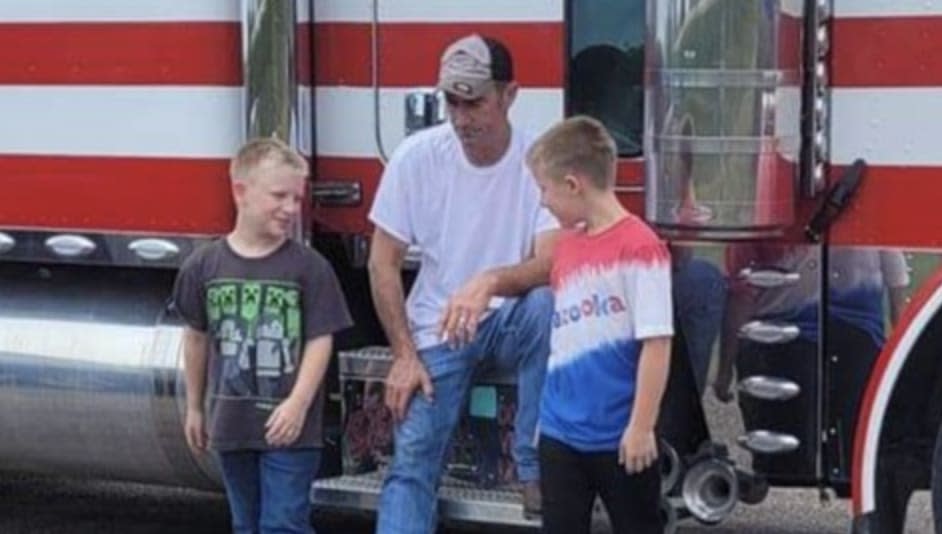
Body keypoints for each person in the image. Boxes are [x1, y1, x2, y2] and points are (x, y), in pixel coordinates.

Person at [368, 34, 558, 533]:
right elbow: (381, 262)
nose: (460, 116)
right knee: (410, 466)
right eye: (451, 100)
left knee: (547, 302)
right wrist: (404, 354)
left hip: (508, 322)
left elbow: (552, 262)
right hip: (438, 331)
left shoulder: (538, 160)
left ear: (510, 94)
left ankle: (532, 467)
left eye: (473, 101)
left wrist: (490, 280)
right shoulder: (416, 157)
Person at [172, 138, 353, 534]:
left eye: (296, 198)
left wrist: (298, 404)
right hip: (231, 427)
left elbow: (320, 340)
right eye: (279, 196)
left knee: (283, 524)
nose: (291, 208)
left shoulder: (310, 268)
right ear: (241, 191)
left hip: (291, 428)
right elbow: (196, 337)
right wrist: (195, 408)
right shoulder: (203, 265)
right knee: (246, 524)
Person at [527, 115, 673, 534]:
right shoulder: (566, 247)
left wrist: (642, 426)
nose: (543, 202)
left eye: (545, 189)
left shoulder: (640, 247)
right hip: (559, 433)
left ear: (574, 185)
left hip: (620, 437)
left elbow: (657, 343)